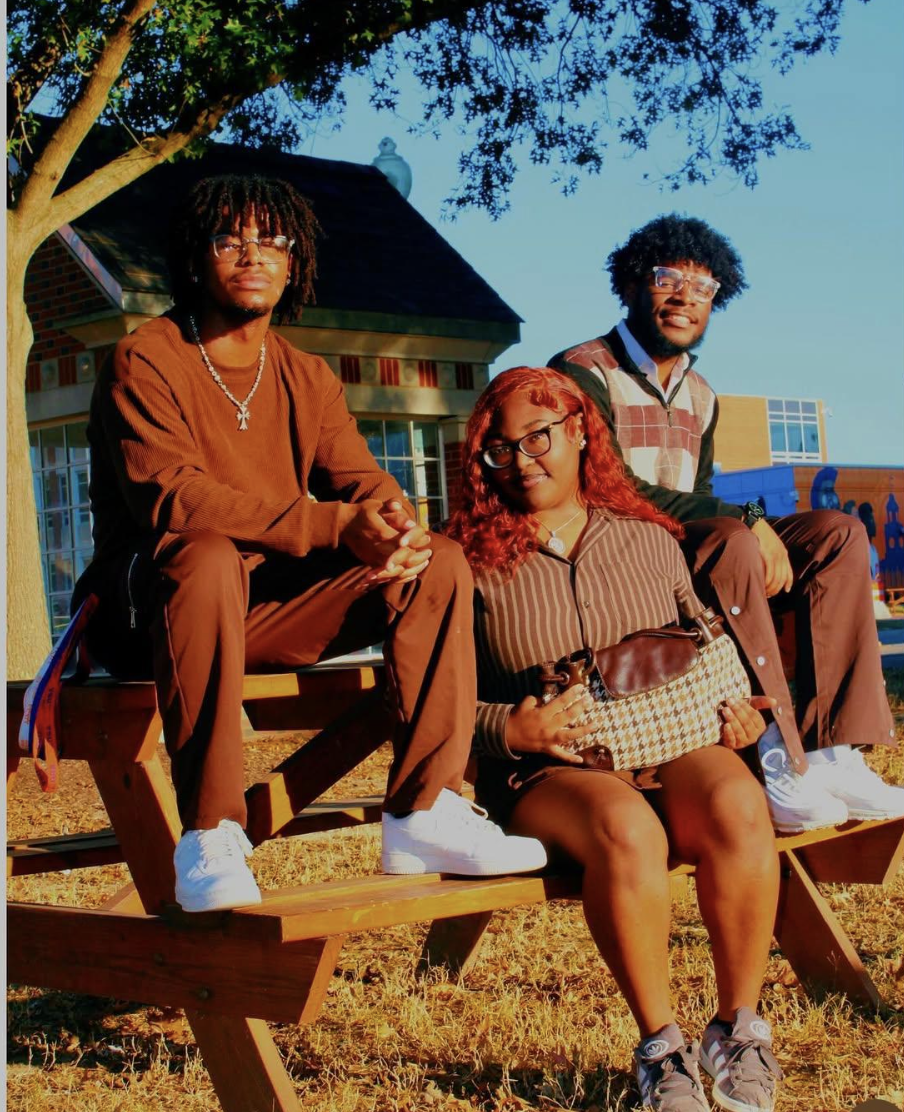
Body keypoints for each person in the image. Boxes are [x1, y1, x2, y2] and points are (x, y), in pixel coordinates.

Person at [72, 173, 546, 913]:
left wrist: (394, 523)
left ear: (295, 262)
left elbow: (359, 479)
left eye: (272, 240)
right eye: (231, 239)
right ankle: (210, 832)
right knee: (205, 550)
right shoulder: (147, 358)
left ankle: (424, 810)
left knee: (438, 563)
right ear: (196, 257)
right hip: (149, 614)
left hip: (263, 610)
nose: (253, 254)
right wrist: (331, 525)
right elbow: (172, 495)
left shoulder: (304, 374)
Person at [446, 366, 784, 1112]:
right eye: (502, 450)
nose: (523, 459)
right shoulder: (465, 564)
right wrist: (511, 728)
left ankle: (738, 1030)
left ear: (578, 432)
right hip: (547, 773)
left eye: (538, 438)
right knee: (627, 827)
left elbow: (707, 646)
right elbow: (424, 703)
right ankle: (662, 1051)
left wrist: (743, 713)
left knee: (735, 797)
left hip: (670, 743)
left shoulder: (651, 540)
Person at [548, 214, 902, 832]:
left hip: (690, 545)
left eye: (704, 288)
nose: (686, 296)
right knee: (736, 535)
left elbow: (703, 494)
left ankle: (831, 748)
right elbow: (608, 487)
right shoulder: (582, 370)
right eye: (668, 279)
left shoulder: (702, 393)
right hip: (614, 553)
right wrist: (745, 519)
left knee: (836, 534)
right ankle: (777, 752)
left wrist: (750, 519)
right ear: (632, 284)